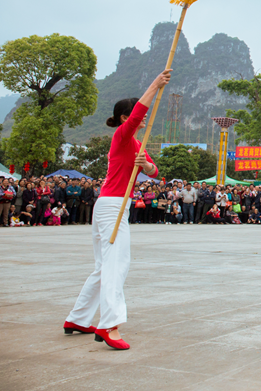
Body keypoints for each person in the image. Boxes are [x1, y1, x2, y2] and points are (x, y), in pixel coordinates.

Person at [65, 69, 171, 350]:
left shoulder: (138, 144)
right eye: (136, 114)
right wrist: (155, 84)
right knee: (117, 263)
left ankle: (77, 318)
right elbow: (139, 114)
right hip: (113, 204)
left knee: (103, 266)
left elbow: (155, 171)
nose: (142, 118)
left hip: (111, 205)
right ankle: (109, 325)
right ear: (125, 118)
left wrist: (146, 166)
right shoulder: (123, 136)